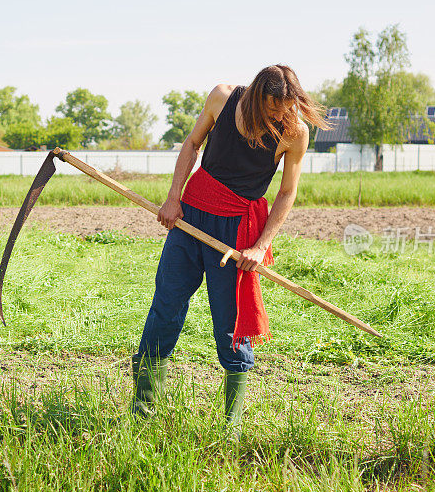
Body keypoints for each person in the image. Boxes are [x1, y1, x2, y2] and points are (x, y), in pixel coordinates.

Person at [131, 64, 329, 434]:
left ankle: (231, 428)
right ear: (255, 95)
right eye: (273, 108)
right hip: (191, 218)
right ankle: (143, 413)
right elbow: (192, 144)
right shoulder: (223, 98)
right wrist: (173, 198)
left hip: (236, 231)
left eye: (286, 108)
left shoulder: (295, 132)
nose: (279, 116)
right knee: (166, 305)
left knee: (231, 325)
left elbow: (287, 192)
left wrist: (260, 245)